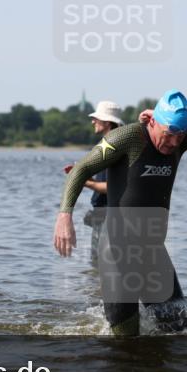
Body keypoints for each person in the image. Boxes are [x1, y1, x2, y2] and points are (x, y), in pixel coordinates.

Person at [53, 90, 187, 336]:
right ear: (153, 123)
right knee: (126, 340)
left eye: (181, 135)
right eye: (169, 134)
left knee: (183, 330)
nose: (174, 143)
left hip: (154, 252)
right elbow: (81, 169)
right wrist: (64, 216)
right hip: (118, 252)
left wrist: (169, 117)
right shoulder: (128, 137)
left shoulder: (180, 140)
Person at [63, 101, 124, 260]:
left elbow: (111, 187)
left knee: (99, 263)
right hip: (108, 215)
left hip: (108, 216)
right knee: (100, 267)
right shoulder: (111, 146)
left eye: (97, 118)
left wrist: (83, 181)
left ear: (107, 122)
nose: (92, 121)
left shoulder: (112, 147)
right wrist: (83, 173)